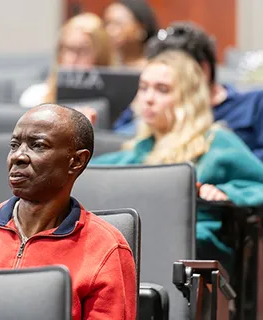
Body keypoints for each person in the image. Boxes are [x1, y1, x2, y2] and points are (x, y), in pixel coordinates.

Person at [0, 104, 136, 320]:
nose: (19, 157)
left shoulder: (106, 247)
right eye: (14, 145)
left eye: (38, 146)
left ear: (77, 161)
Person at [91, 50, 263, 275]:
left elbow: (257, 184)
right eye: (144, 88)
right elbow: (94, 172)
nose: (148, 98)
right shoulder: (140, 148)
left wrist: (227, 192)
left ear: (188, 97)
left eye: (162, 90)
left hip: (196, 247)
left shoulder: (215, 141)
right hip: (143, 240)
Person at [114, 22, 263, 160]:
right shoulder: (153, 107)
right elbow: (118, 137)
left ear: (202, 71)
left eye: (163, 88)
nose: (150, 97)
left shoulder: (252, 105)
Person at [20, 13, 114, 108]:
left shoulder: (117, 104)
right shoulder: (34, 96)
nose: (73, 58)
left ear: (101, 55)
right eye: (68, 48)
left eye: (83, 50)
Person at [104, 0, 158, 69]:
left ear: (140, 27)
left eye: (117, 23)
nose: (109, 30)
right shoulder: (104, 64)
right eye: (106, 24)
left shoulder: (154, 67)